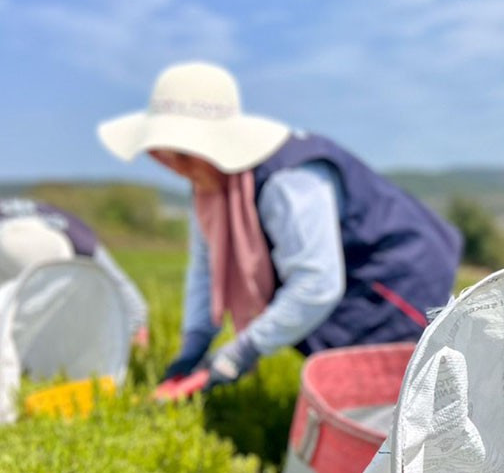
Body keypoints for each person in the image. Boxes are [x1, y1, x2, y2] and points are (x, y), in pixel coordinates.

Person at [97, 61, 463, 391]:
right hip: (345, 287)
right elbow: (205, 268)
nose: (167, 164)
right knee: (357, 391)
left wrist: (238, 354)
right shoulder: (210, 189)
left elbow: (316, 284)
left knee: (400, 392)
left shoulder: (288, 181)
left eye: (178, 153)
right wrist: (194, 344)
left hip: (393, 282)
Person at [0, 197, 149, 345]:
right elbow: (122, 287)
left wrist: (136, 324)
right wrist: (134, 330)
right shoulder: (82, 239)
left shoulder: (81, 240)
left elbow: (128, 296)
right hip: (23, 241)